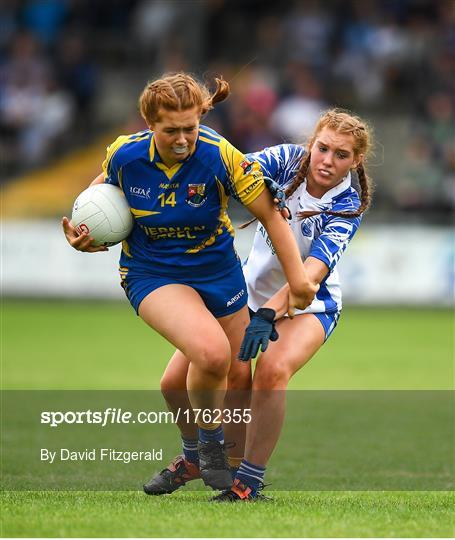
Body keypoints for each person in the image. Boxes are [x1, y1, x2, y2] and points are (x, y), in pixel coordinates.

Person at [61, 72, 318, 492]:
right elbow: (96, 199)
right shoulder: (125, 156)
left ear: (201, 118)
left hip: (219, 273)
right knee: (211, 354)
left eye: (190, 129)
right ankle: (210, 446)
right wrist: (82, 234)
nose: (182, 139)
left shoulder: (221, 155)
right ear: (149, 125)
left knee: (220, 374)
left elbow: (271, 215)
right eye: (170, 131)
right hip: (152, 272)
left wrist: (297, 280)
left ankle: (202, 461)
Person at [154, 108, 373, 500]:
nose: (327, 160)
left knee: (270, 372)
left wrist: (270, 312)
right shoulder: (289, 159)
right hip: (244, 294)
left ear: (355, 161)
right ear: (312, 144)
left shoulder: (347, 207)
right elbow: (233, 167)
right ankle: (194, 458)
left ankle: (246, 482)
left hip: (310, 306)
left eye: (341, 155)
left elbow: (310, 275)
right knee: (173, 384)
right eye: (323, 148)